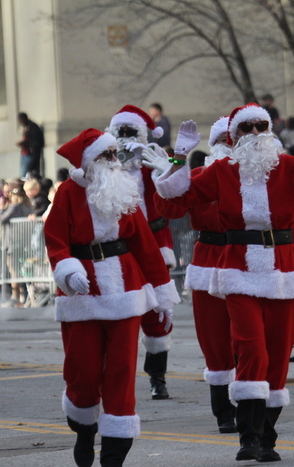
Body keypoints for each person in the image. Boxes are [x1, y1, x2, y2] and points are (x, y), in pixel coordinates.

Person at [144, 104, 294, 461]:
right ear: (234, 137)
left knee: (279, 354)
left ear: (269, 131)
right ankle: (247, 435)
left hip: (283, 270)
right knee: (251, 348)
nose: (254, 133)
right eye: (246, 128)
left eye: (260, 126)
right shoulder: (222, 170)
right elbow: (173, 206)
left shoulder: (288, 167)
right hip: (237, 269)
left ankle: (268, 434)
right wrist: (178, 158)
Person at [44, 128, 176, 467]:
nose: (115, 162)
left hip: (126, 289)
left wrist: (162, 293)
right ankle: (85, 426)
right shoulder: (68, 193)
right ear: (90, 163)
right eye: (108, 156)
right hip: (82, 290)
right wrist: (68, 271)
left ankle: (115, 452)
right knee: (83, 370)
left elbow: (145, 245)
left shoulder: (125, 192)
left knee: (121, 369)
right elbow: (55, 240)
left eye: (116, 155)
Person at [155, 116, 237, 433]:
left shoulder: (259, 179)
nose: (230, 147)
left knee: (250, 338)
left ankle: (249, 403)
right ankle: (223, 410)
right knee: (215, 339)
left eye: (234, 141)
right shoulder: (200, 177)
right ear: (214, 146)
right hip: (210, 260)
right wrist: (175, 164)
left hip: (250, 259)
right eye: (224, 141)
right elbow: (168, 207)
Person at [106, 104, 180, 400]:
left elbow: (173, 199)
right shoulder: (104, 164)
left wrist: (164, 170)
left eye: (131, 132)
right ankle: (114, 376)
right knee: (117, 311)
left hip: (153, 244)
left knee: (159, 310)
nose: (125, 139)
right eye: (120, 132)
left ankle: (157, 376)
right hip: (118, 249)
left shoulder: (151, 161)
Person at [17, 112, 45, 178]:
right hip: (25, 153)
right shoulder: (25, 127)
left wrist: (25, 143)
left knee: (23, 173)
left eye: (21, 119)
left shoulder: (32, 126)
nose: (20, 122)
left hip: (31, 154)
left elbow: (34, 140)